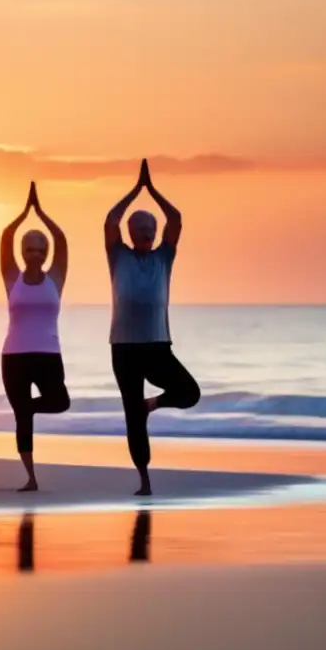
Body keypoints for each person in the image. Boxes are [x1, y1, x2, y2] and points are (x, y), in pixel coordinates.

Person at [104, 158, 200, 496]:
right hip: (125, 347)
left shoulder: (164, 257)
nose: (146, 234)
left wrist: (152, 189)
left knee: (190, 393)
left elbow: (176, 219)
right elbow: (110, 220)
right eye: (140, 230)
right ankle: (144, 481)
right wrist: (134, 190)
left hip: (158, 345)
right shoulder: (118, 256)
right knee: (132, 415)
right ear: (131, 234)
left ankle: (152, 404)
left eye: (150, 230)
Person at [0, 181, 71, 492]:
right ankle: (30, 477)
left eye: (41, 249)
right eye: (30, 248)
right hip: (14, 356)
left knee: (60, 401)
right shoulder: (12, 276)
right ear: (22, 252)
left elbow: (62, 240)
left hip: (48, 355)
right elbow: (5, 239)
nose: (36, 253)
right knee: (22, 418)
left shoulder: (55, 277)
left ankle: (26, 408)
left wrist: (40, 213)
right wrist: (22, 215)